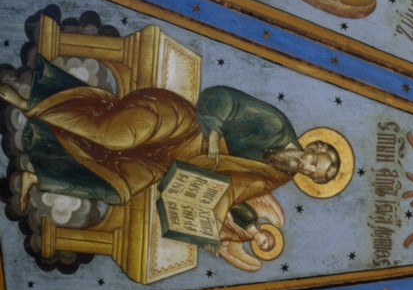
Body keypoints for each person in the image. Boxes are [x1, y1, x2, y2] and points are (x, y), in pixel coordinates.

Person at [0, 57, 341, 222]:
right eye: (314, 161)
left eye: (312, 174)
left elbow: (235, 190)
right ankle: (31, 103)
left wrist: (219, 213)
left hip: (173, 164)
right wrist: (214, 131)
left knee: (118, 190)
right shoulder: (275, 125)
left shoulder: (277, 176)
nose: (306, 167)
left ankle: (37, 177)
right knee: (115, 136)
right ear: (313, 146)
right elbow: (220, 97)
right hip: (180, 125)